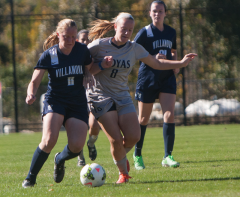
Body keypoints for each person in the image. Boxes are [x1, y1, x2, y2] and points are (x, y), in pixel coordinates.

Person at [86, 12, 196, 184]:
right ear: (115, 27)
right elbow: (83, 63)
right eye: (123, 29)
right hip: (100, 96)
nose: (127, 33)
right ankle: (123, 173)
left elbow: (157, 63)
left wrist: (181, 63)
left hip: (122, 96)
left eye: (130, 30)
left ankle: (120, 156)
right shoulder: (99, 45)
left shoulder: (134, 48)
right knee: (115, 139)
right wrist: (100, 65)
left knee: (134, 135)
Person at [22, 19, 93, 188]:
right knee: (48, 140)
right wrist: (30, 93)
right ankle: (30, 178)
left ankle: (59, 159)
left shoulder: (82, 50)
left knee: (76, 146)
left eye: (73, 37)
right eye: (66, 37)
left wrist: (89, 71)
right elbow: (34, 80)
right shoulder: (49, 54)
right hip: (56, 100)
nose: (70, 41)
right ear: (58, 35)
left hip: (77, 102)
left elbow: (91, 67)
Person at [133, 0, 181, 170]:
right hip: (148, 78)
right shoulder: (144, 33)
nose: (157, 14)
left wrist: (174, 63)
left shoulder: (171, 32)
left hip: (167, 77)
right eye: (154, 11)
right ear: (150, 13)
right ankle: (137, 154)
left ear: (165, 13)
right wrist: (152, 58)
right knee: (143, 119)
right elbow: (133, 51)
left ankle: (168, 156)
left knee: (169, 114)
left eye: (160, 11)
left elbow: (173, 50)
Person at [75, 29, 101, 167]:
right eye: (83, 39)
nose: (86, 42)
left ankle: (91, 144)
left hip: (93, 95)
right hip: (77, 96)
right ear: (78, 41)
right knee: (80, 128)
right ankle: (80, 157)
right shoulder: (74, 55)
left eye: (88, 40)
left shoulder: (95, 56)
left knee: (94, 126)